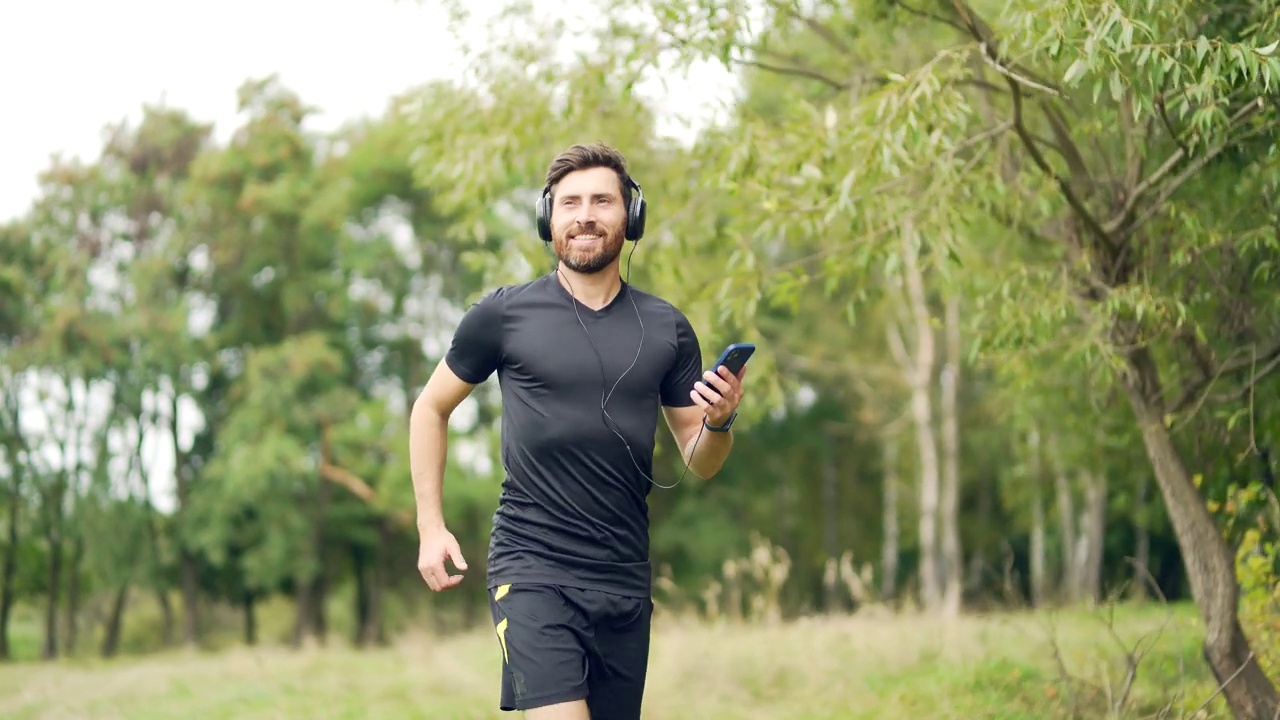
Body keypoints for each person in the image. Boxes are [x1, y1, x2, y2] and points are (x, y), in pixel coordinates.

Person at [408, 142, 748, 720]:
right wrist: (431, 525)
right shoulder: (503, 316)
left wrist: (720, 421)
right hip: (532, 566)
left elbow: (702, 459)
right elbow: (430, 409)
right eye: (570, 203)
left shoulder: (668, 327)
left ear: (630, 216)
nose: (585, 214)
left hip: (623, 578)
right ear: (549, 219)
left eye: (601, 201)